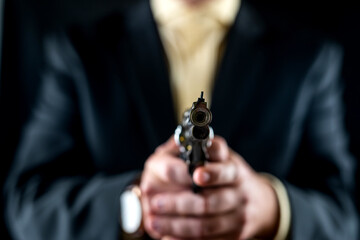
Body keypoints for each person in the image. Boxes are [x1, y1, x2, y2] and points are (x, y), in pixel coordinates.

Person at [4, 0, 358, 239]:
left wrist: (269, 207)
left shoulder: (309, 57)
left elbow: (343, 216)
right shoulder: (79, 52)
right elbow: (27, 205)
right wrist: (138, 205)